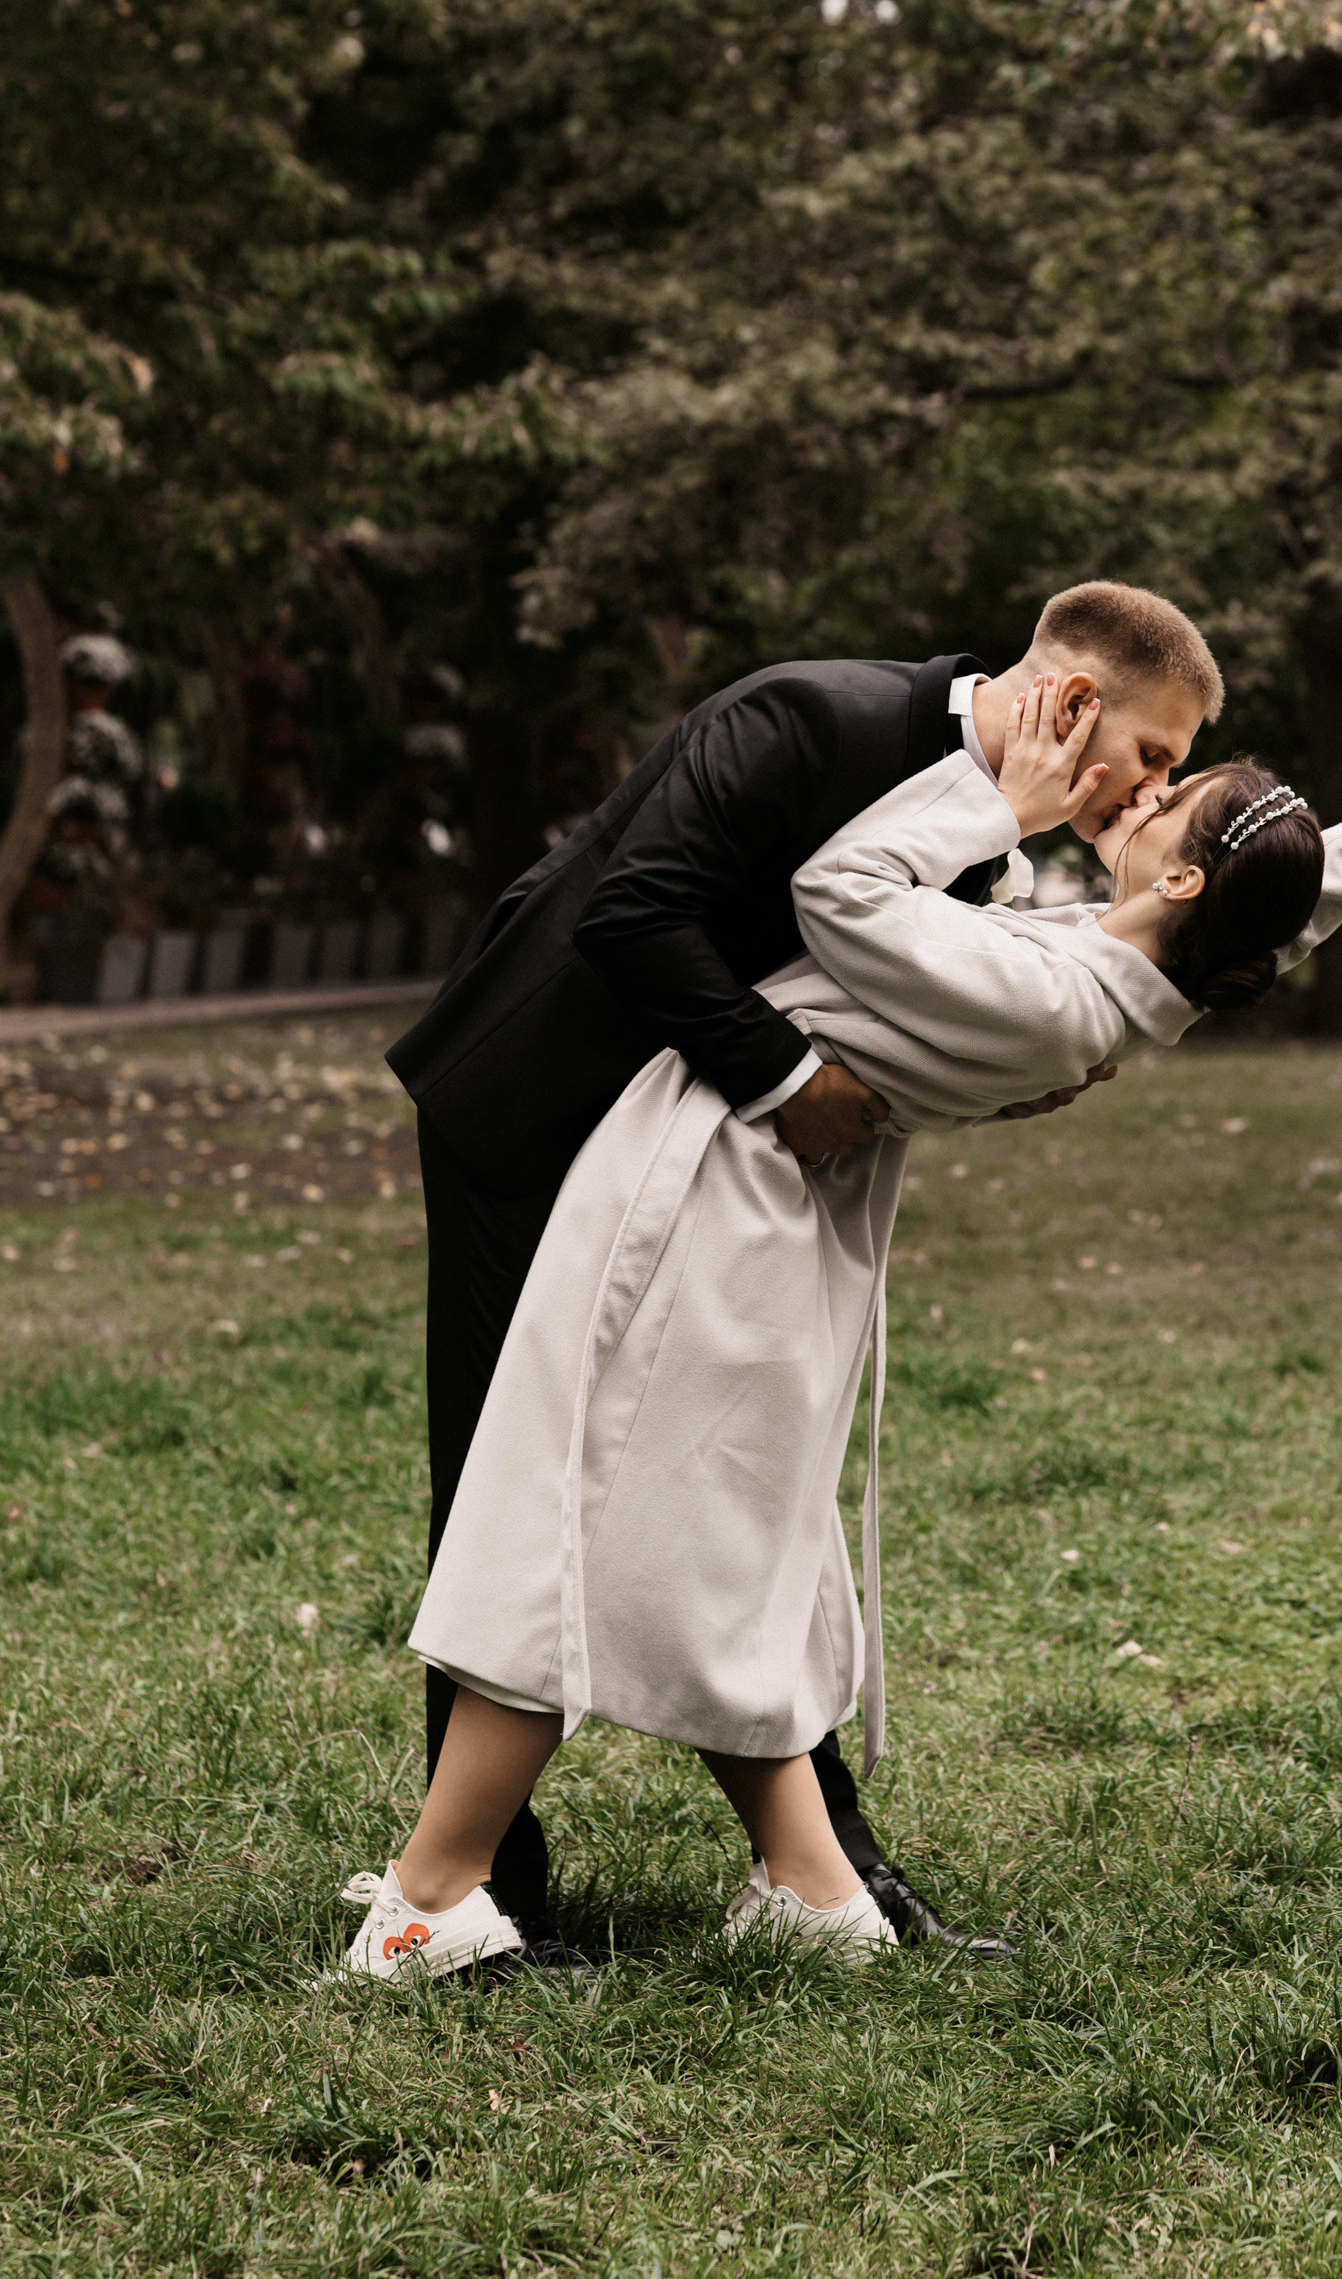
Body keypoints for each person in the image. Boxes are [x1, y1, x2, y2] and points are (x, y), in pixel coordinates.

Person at [339, 694, 1342, 1980]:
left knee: (560, 1533)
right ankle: (814, 1890)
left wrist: (998, 802)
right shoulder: (1141, 959)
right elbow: (1328, 872)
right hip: (764, 1231)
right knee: (744, 1569)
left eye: (1167, 799)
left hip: (708, 1219)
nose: (1142, 794)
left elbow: (840, 895)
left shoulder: (1053, 991)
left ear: (1184, 886)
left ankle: (432, 1894)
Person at [386, 584, 1225, 1955]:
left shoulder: (978, 834)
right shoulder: (808, 717)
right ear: (1073, 706)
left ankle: (828, 1880)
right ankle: (476, 1889)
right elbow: (635, 912)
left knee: (749, 1496)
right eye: (1152, 755)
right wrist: (788, 1082)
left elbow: (888, 990)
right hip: (535, 1107)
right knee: (505, 1476)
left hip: (691, 1159)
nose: (1153, 788)